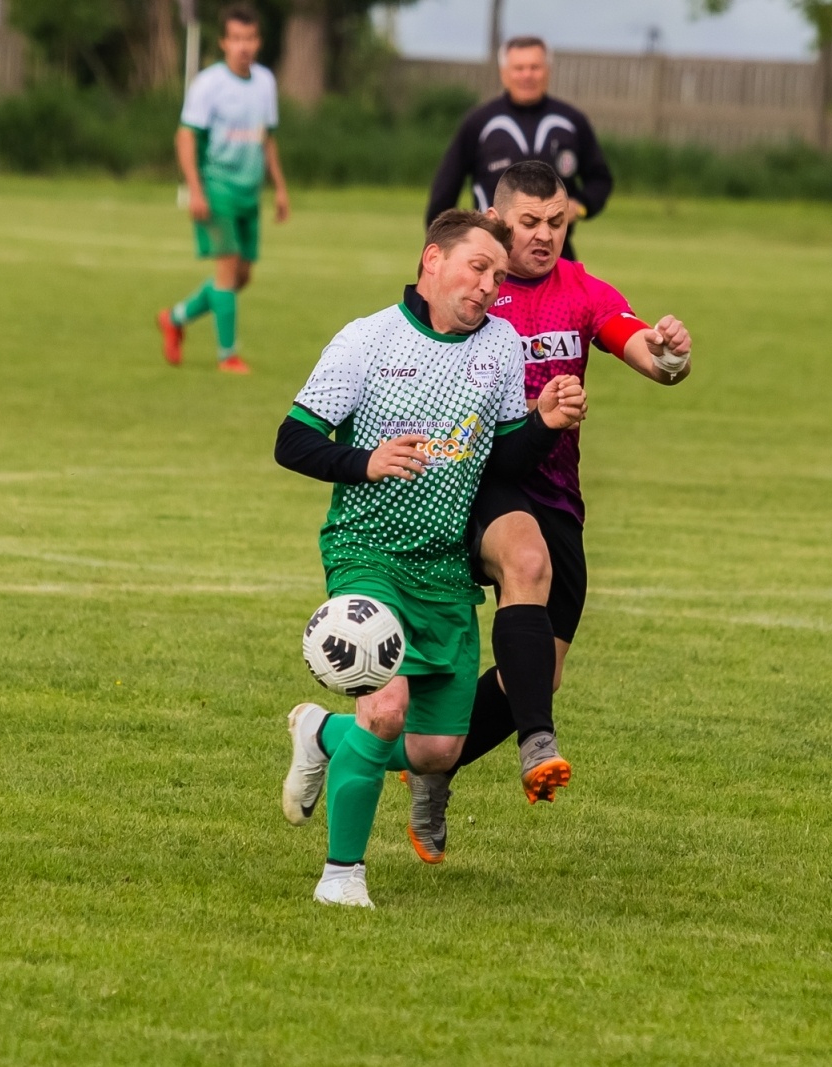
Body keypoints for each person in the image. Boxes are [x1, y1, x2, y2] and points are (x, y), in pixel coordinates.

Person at [273, 209, 587, 908]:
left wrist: (543, 424)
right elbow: (291, 441)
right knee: (384, 709)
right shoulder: (367, 340)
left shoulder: (502, 346)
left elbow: (499, 457)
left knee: (437, 751)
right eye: (477, 267)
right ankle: (341, 876)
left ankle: (320, 732)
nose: (488, 285)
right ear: (433, 261)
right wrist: (365, 460)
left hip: (444, 567)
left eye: (498, 276)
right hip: (368, 552)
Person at [404, 161, 694, 864]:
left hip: (557, 493)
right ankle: (538, 741)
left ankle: (429, 768)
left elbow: (639, 346)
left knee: (536, 671)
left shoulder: (583, 291)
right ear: (499, 220)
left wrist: (670, 356)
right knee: (524, 560)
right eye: (529, 223)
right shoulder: (475, 291)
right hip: (480, 484)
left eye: (557, 222)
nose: (545, 235)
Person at [156, 3, 289, 373]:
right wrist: (195, 190)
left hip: (250, 193)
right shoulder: (209, 84)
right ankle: (227, 355)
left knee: (240, 277)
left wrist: (279, 188)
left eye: (249, 38)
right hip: (217, 188)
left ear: (258, 41)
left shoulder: (265, 82)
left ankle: (175, 318)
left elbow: (268, 140)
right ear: (223, 42)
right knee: (228, 271)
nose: (242, 46)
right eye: (235, 39)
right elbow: (185, 137)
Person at [425, 36, 613, 263]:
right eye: (519, 68)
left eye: (535, 67)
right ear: (504, 73)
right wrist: (444, 245)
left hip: (556, 256)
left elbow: (600, 180)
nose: (527, 75)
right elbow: (445, 189)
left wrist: (580, 206)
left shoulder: (571, 122)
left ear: (548, 71)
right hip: (495, 255)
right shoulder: (479, 123)